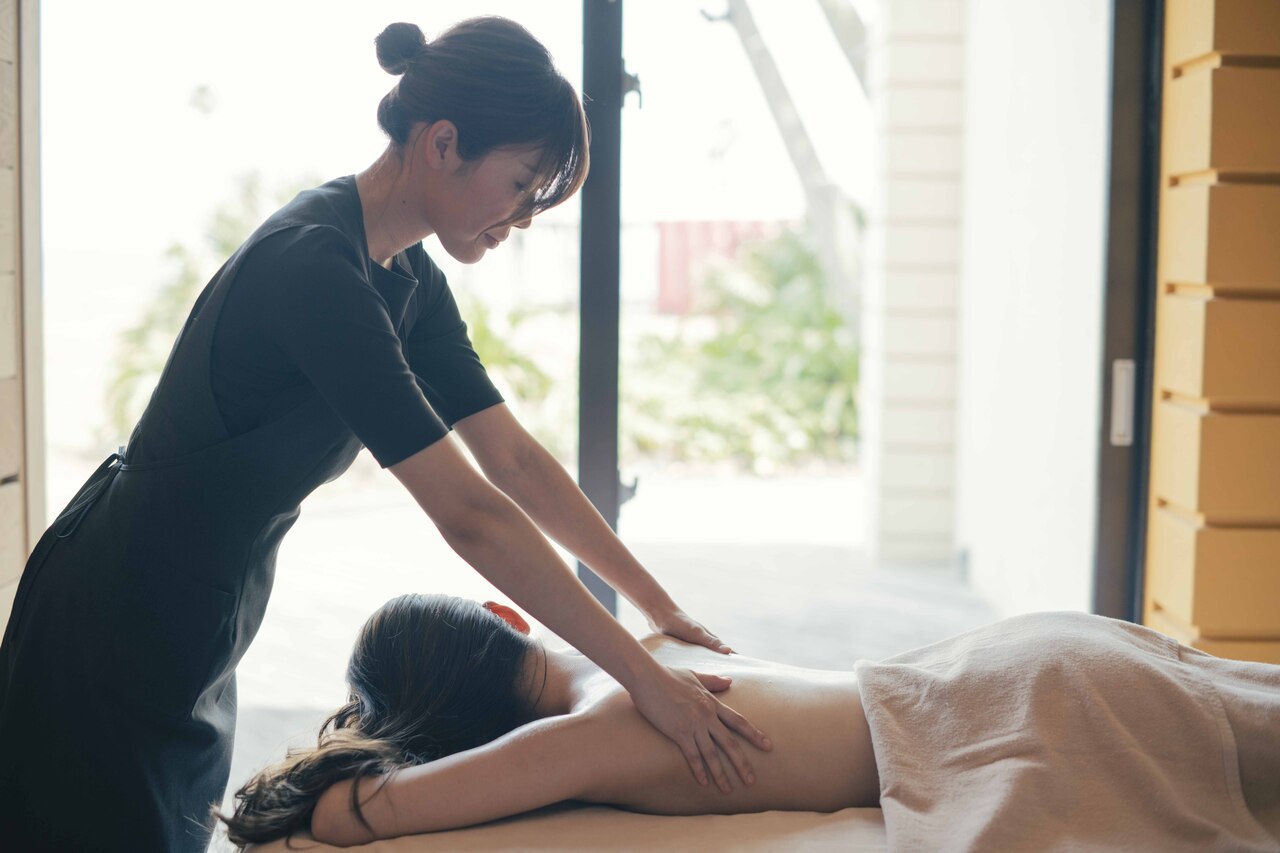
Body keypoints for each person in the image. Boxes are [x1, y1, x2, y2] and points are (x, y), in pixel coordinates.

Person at [0, 18, 770, 853]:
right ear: (443, 144)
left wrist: (660, 605)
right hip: (118, 608)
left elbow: (513, 460)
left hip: (206, 607)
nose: (521, 218)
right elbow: (469, 513)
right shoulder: (313, 269)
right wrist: (643, 680)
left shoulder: (407, 277)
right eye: (520, 184)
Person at [220, 595, 1280, 851]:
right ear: (504, 616)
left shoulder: (597, 723)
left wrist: (346, 752)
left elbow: (370, 812)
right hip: (1007, 665)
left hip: (1000, 713)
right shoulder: (639, 654)